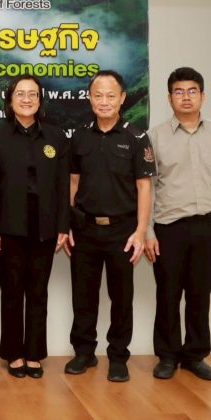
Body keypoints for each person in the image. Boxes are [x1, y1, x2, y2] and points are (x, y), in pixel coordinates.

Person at [146, 67, 211, 381]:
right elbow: (147, 188)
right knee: (168, 295)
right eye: (179, 92)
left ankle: (195, 356)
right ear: (169, 98)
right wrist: (147, 231)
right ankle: (167, 356)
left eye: (192, 91)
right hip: (168, 228)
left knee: (200, 295)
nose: (186, 97)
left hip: (207, 227)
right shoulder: (155, 137)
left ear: (202, 95)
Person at [65, 70, 155, 382]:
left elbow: (144, 187)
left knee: (121, 298)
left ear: (122, 98)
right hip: (85, 229)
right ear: (89, 98)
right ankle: (84, 352)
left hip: (123, 231)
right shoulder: (79, 136)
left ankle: (118, 357)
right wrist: (70, 221)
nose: (104, 101)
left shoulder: (136, 137)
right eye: (98, 95)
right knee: (83, 296)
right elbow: (73, 182)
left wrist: (141, 231)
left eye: (110, 96)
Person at [0, 76, 70, 379]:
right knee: (11, 292)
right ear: (10, 100)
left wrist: (63, 225)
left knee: (38, 292)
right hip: (8, 227)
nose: (26, 99)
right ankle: (14, 353)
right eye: (20, 94)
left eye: (32, 94)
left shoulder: (56, 136)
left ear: (40, 100)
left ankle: (34, 354)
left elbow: (63, 185)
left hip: (44, 228)